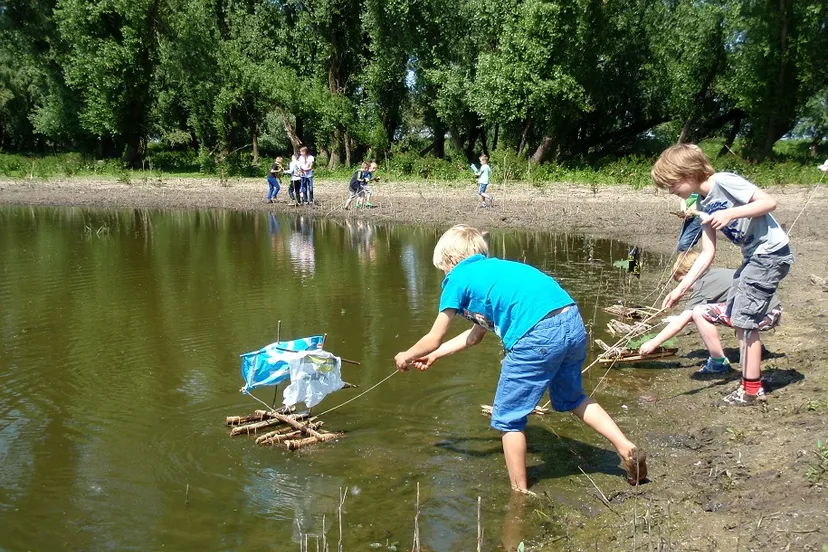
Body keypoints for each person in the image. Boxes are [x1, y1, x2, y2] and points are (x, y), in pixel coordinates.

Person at [393, 225, 647, 492]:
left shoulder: (457, 278)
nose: (445, 275)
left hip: (536, 334)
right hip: (571, 321)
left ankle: (520, 492)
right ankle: (625, 446)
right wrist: (434, 355)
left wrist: (406, 354)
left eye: (443, 269)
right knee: (572, 397)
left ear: (451, 261)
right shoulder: (496, 272)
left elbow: (433, 336)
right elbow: (474, 336)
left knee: (508, 419)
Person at [652, 143, 794, 405]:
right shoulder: (704, 203)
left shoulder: (724, 181)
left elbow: (768, 202)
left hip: (770, 254)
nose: (670, 190)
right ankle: (749, 382)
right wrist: (679, 290)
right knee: (740, 316)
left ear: (688, 173)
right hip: (753, 259)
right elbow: (707, 254)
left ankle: (751, 390)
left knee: (745, 322)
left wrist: (730, 213)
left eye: (671, 184)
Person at [639, 249, 782, 374]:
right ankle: (755, 348)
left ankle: (718, 362)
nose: (686, 288)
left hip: (764, 315)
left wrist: (653, 344)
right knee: (716, 310)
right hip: (771, 309)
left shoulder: (701, 286)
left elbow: (680, 323)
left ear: (691, 274)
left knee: (699, 312)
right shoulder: (714, 275)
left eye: (683, 282)